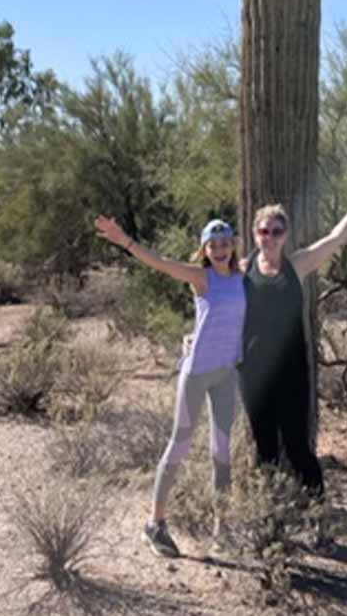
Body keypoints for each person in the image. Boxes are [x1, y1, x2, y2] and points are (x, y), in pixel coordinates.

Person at [93, 215, 244, 559]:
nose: (220, 250)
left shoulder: (242, 275)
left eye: (225, 244)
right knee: (180, 444)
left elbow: (273, 263)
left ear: (233, 245)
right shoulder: (201, 277)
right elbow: (159, 263)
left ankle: (225, 530)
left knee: (222, 453)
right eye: (213, 244)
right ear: (205, 249)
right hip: (197, 373)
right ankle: (155, 524)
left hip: (225, 374)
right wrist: (126, 241)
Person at [238, 198, 347, 496]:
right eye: (264, 231)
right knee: (264, 449)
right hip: (253, 373)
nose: (269, 237)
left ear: (285, 235)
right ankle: (270, 512)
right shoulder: (243, 269)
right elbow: (214, 298)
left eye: (276, 231)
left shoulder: (296, 265)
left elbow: (335, 239)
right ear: (254, 233)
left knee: (298, 446)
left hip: (291, 371)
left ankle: (316, 509)